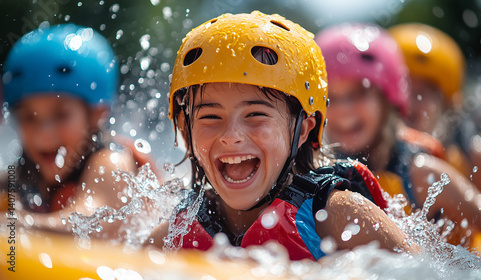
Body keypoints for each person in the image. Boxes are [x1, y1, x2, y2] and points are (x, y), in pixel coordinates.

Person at [149, 11, 417, 261]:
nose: (230, 137)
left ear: (302, 130)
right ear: (186, 129)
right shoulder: (171, 238)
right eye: (210, 117)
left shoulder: (339, 217)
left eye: (255, 115)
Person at [316, 23, 481, 250]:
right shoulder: (317, 171)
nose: (344, 108)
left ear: (388, 96)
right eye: (331, 97)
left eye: (360, 92)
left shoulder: (424, 174)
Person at [0, 24, 141, 238]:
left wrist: (14, 224)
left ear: (96, 115)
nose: (44, 133)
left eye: (61, 115)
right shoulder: (19, 176)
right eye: (29, 117)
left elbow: (90, 222)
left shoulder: (111, 161)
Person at [389, 23, 481, 203]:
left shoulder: (475, 154)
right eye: (402, 88)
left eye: (422, 92)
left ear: (446, 106)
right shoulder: (367, 155)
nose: (408, 102)